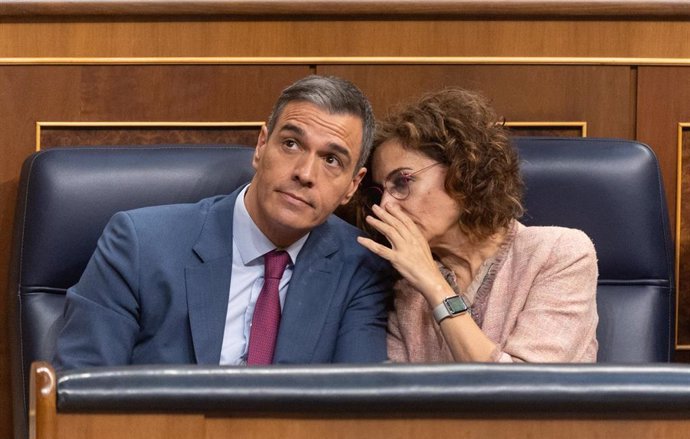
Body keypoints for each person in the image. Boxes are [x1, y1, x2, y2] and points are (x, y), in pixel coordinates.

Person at [54, 75, 390, 369]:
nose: (304, 173)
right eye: (291, 144)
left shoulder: (358, 268)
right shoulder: (140, 245)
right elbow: (79, 393)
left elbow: (357, 410)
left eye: (331, 159)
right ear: (261, 146)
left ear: (352, 186)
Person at [356, 88, 598, 363]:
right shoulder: (408, 289)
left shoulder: (559, 253)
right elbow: (399, 397)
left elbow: (529, 393)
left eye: (402, 181)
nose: (386, 204)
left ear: (462, 171)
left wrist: (434, 286)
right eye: (380, 191)